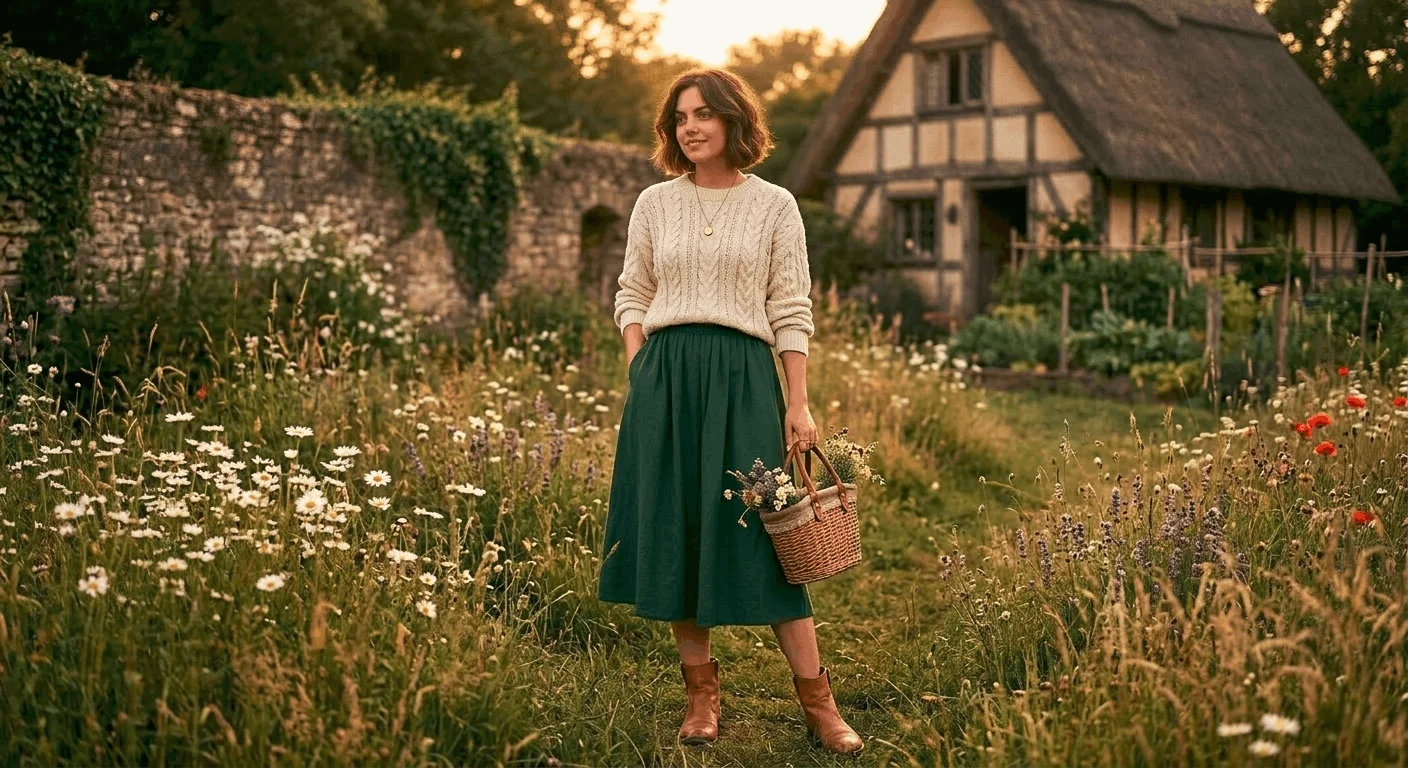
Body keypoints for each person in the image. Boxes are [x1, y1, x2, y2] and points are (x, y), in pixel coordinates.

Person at [595, 67, 864, 756]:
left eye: (705, 114)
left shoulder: (776, 206)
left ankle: (818, 701)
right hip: (666, 381)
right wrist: (640, 364)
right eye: (681, 116)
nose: (690, 126)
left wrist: (797, 403)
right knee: (680, 526)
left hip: (745, 380)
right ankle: (702, 696)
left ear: (733, 122)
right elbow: (633, 292)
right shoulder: (654, 202)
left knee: (772, 539)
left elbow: (790, 307)